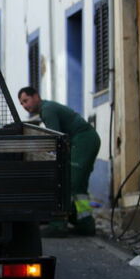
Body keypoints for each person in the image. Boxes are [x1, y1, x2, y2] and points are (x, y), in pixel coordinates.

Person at [17, 86, 100, 236]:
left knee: (67, 183)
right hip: (86, 140)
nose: (25, 106)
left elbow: (56, 139)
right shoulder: (47, 108)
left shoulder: (47, 110)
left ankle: (58, 224)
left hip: (83, 141)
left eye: (26, 101)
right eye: (22, 104)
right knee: (78, 188)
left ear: (36, 96)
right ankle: (85, 223)